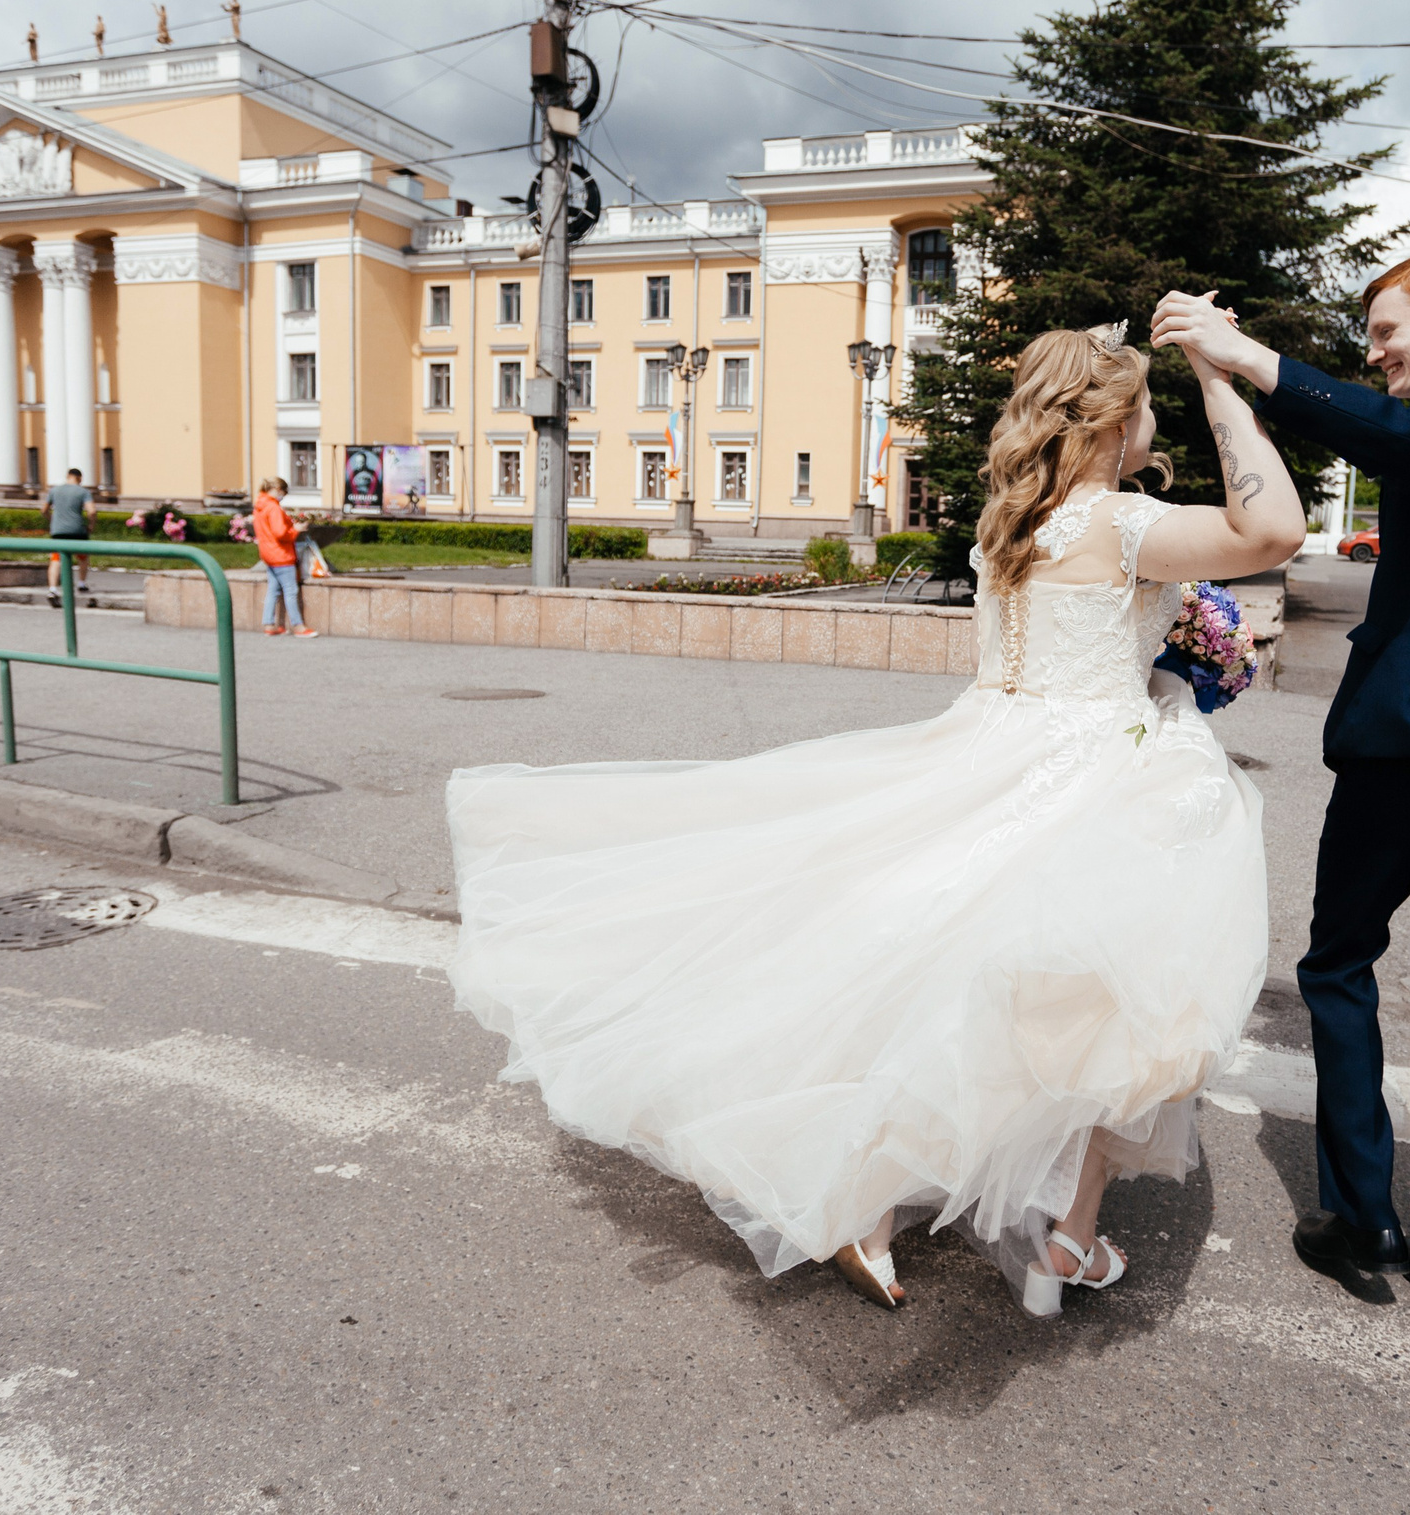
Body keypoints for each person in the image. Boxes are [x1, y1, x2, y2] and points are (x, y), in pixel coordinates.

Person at [447, 322, 1309, 1317]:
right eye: (1149, 399)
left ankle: (871, 1206)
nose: (1158, 413)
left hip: (987, 750)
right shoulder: (1120, 525)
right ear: (1116, 417)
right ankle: (1062, 1241)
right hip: (1090, 773)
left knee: (930, 972)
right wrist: (1220, 379)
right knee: (1110, 1011)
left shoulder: (1011, 525)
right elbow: (1274, 530)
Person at [1151, 251, 1410, 1343]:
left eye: (1387, 331)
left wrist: (1242, 358)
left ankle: (1362, 1219)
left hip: (1406, 754)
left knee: (1338, 967)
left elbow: (1402, 436)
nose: (1374, 354)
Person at [251, 477, 313, 637]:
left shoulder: (259, 506)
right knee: (291, 590)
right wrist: (296, 529)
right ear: (279, 489)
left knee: (273, 590)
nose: (283, 497)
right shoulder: (273, 508)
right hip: (281, 555)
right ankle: (298, 626)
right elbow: (280, 533)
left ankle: (269, 624)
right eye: (284, 494)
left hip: (268, 554)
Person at [42, 467, 93, 607]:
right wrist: (91, 525)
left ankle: (52, 589)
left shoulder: (54, 490)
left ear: (67, 476)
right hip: (77, 530)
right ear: (80, 478)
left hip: (58, 531)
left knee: (56, 559)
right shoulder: (83, 492)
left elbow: (44, 510)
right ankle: (81, 583)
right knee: (83, 557)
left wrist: (52, 519)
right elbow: (92, 511)